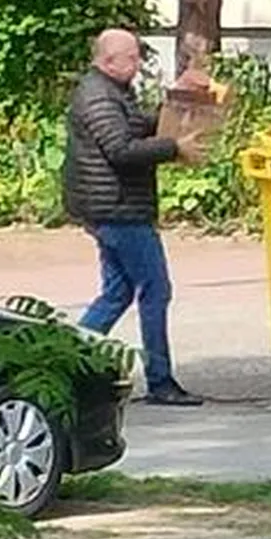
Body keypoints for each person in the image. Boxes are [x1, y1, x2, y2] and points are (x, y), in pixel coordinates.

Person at [64, 28, 207, 408]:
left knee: (118, 292)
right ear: (108, 61)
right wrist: (175, 147)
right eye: (131, 57)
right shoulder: (97, 97)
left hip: (111, 207)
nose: (139, 63)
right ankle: (160, 381)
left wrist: (178, 98)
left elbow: (138, 126)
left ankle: (67, 362)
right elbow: (121, 149)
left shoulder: (110, 91)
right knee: (156, 290)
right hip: (118, 209)